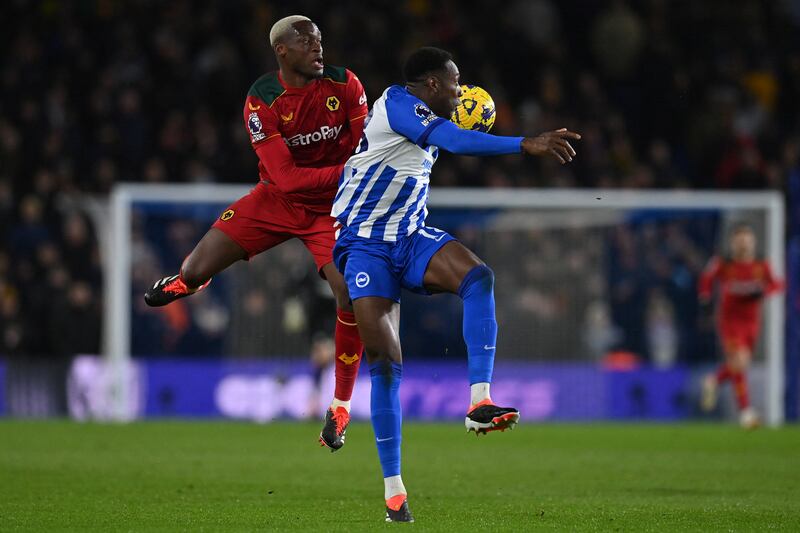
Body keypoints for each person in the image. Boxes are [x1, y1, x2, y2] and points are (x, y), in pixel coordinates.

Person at [331, 46, 581, 522]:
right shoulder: (398, 105)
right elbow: (456, 140)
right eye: (454, 81)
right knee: (386, 361)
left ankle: (479, 401)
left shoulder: (427, 111)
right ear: (429, 84)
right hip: (363, 245)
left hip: (408, 236)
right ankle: (394, 490)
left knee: (478, 276)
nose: (460, 89)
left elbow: (452, 135)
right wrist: (524, 143)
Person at [144, 15, 368, 450]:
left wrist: (354, 174)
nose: (318, 47)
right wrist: (349, 171)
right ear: (282, 50)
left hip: (334, 211)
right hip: (276, 200)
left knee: (349, 295)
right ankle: (189, 281)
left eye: (320, 39)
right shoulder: (262, 100)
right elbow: (285, 179)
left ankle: (340, 405)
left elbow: (368, 148)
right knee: (193, 268)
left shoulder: (345, 85)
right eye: (306, 41)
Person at [698, 224, 783, 429]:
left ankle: (714, 380)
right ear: (732, 243)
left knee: (740, 365)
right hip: (730, 321)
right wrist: (705, 299)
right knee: (740, 360)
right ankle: (745, 413)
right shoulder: (723, 263)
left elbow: (778, 284)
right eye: (739, 239)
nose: (743, 243)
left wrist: (763, 292)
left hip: (752, 322)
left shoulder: (761, 265)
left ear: (753, 242)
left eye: (746, 238)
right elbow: (706, 279)